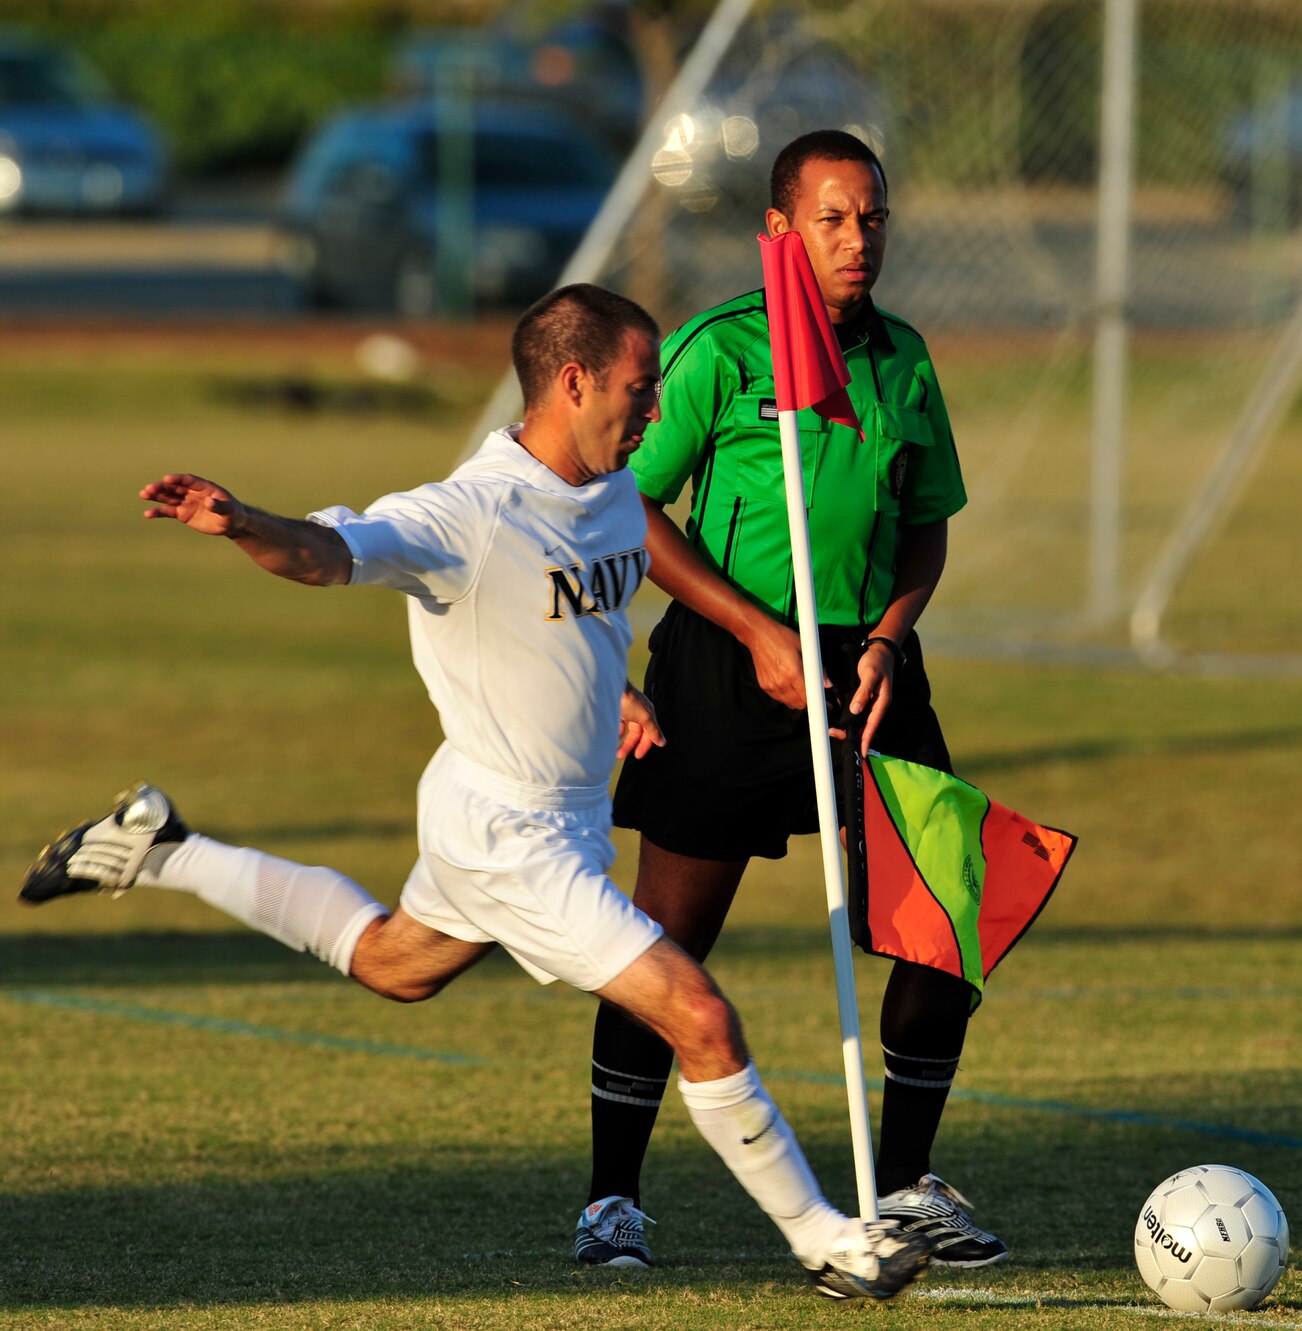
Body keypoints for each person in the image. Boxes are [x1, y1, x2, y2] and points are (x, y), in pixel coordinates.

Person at [17, 283, 932, 1302]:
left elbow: (566, 612)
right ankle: (829, 1241)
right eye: (641, 387)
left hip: (549, 814)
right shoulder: (469, 510)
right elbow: (328, 554)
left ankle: (162, 847)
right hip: (509, 832)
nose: (657, 409)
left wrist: (611, 690)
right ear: (573, 380)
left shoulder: (612, 487)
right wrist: (239, 522)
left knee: (394, 963)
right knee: (699, 1013)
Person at [585, 130, 1005, 1269]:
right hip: (728, 665)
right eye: (831, 218)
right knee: (666, 942)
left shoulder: (904, 359)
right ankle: (611, 1198)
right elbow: (632, 503)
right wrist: (755, 630)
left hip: (866, 672)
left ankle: (908, 1184)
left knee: (945, 914)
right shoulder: (718, 351)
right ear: (780, 230)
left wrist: (886, 637)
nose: (857, 239)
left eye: (870, 218)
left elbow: (925, 521)